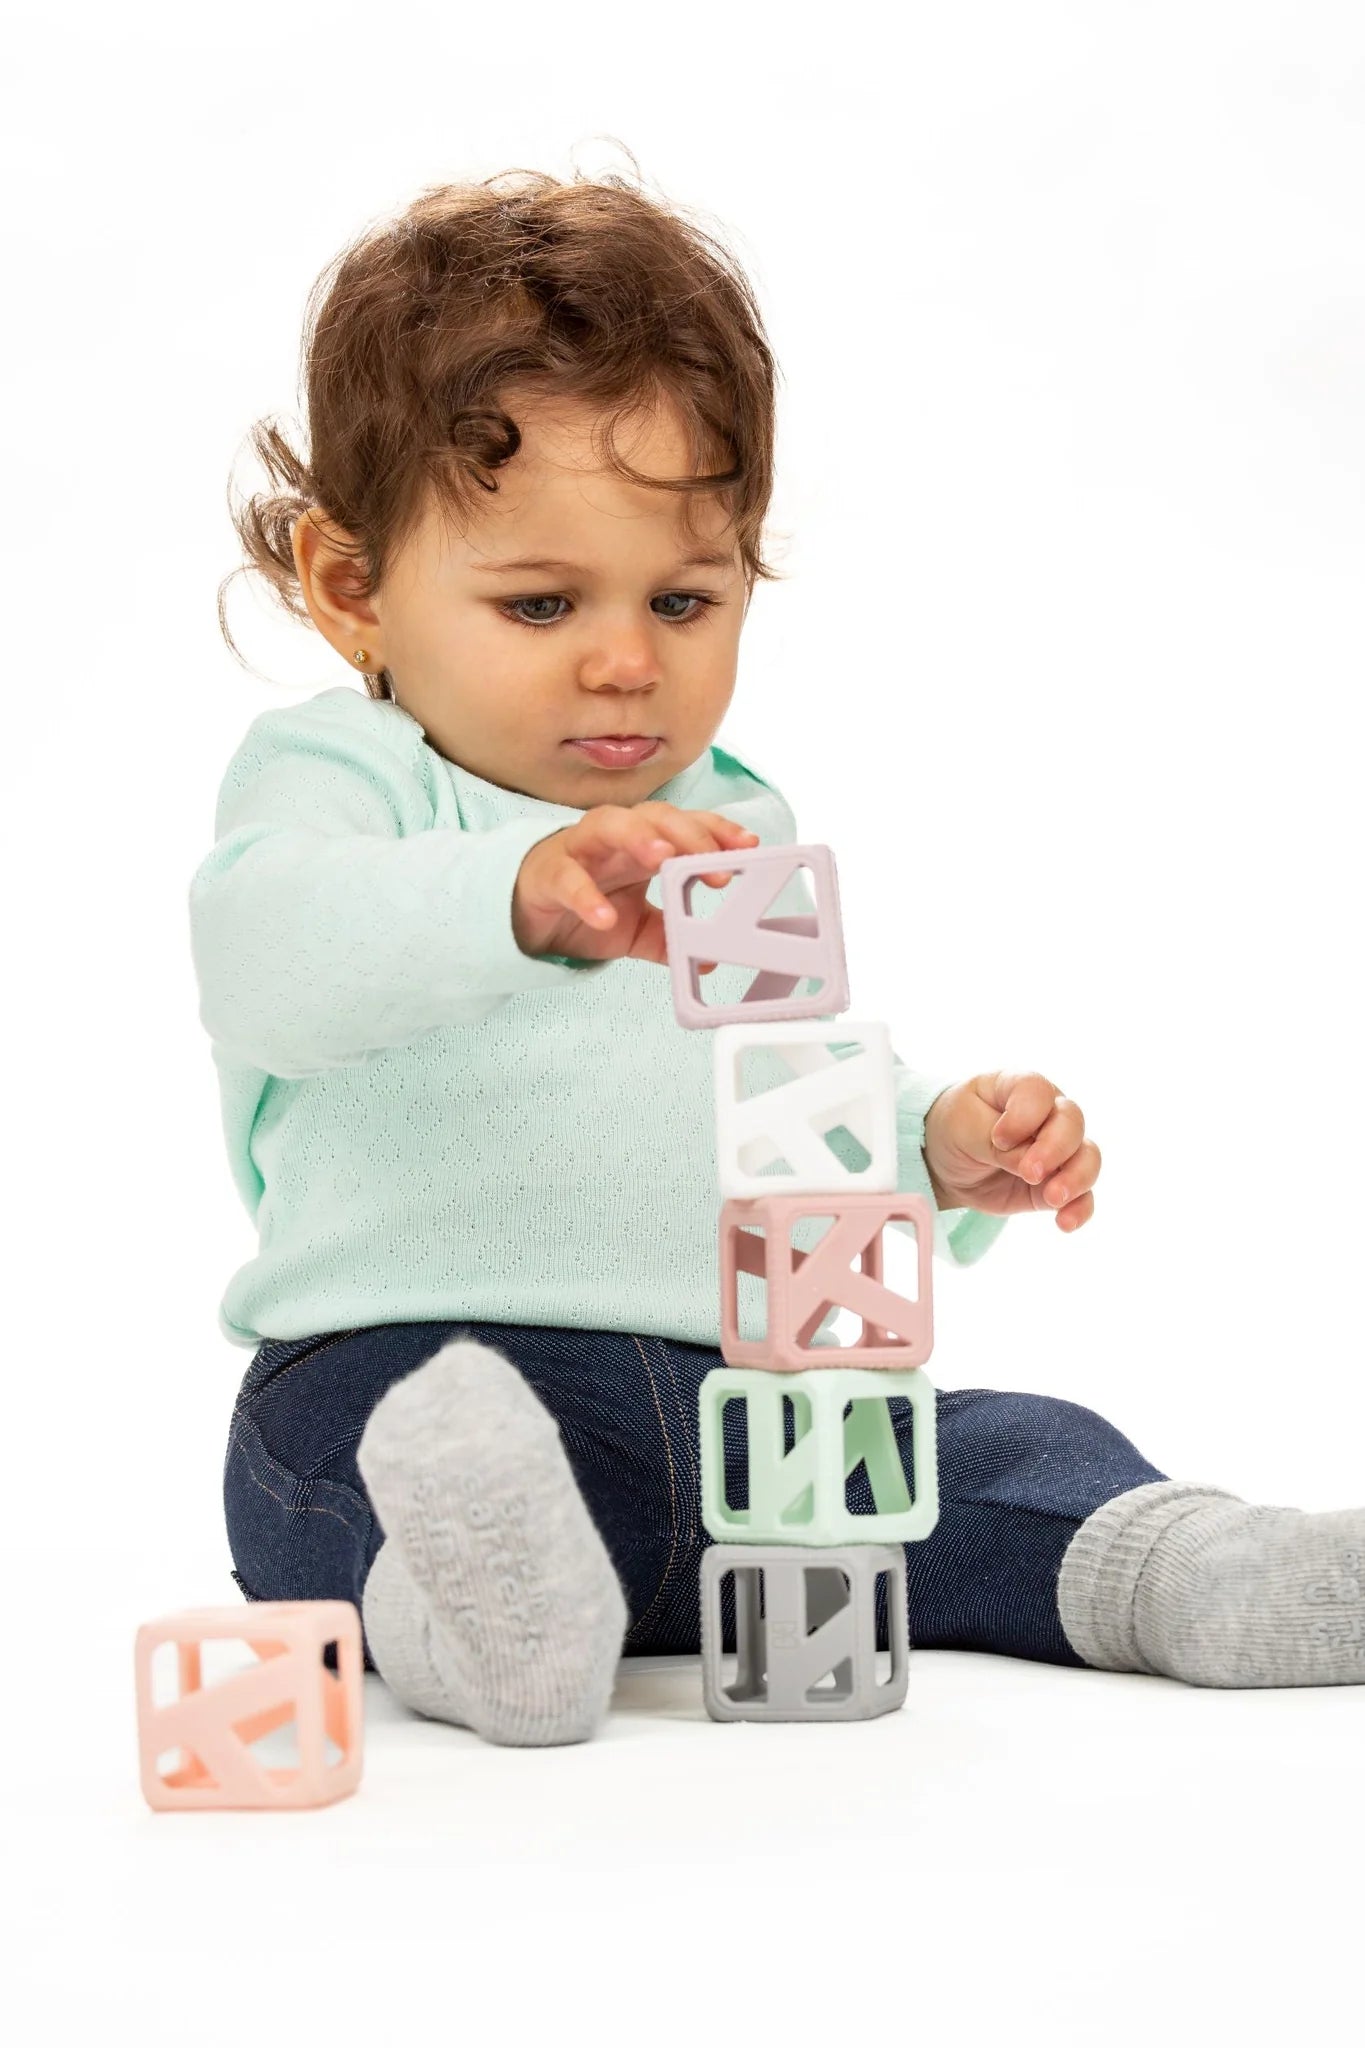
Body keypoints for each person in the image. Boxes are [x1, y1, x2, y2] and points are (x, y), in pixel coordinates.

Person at [190, 165, 1364, 1747]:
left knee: (1008, 1444)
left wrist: (935, 1144)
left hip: (755, 1408)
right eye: (540, 602)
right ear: (352, 591)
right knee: (377, 1471)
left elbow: (784, 1107)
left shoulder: (727, 816)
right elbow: (273, 961)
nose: (627, 660)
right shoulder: (345, 783)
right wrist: (515, 893)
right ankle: (472, 1632)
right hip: (418, 1367)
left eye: (685, 596)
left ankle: (1184, 1572)